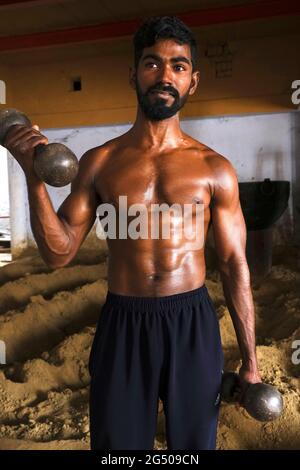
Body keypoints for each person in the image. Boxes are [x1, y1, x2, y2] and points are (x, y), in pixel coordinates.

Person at [3, 16, 261, 450]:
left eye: (178, 66)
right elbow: (58, 253)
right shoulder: (100, 162)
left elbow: (236, 264)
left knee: (194, 448)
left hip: (191, 324)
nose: (165, 75)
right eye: (152, 64)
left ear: (192, 81)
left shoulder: (215, 169)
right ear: (133, 75)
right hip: (123, 323)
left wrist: (251, 361)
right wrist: (33, 178)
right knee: (117, 451)